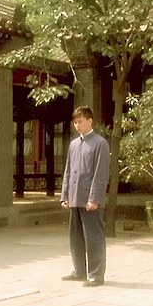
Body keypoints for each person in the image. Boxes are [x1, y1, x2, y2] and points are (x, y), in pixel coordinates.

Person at [60, 105, 110, 287]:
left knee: (93, 237)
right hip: (74, 197)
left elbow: (101, 173)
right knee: (76, 238)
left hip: (89, 199)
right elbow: (68, 171)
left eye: (80, 121)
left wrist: (94, 199)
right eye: (75, 122)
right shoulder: (73, 145)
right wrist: (64, 195)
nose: (77, 125)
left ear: (90, 121)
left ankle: (96, 275)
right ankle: (79, 270)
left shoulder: (100, 143)